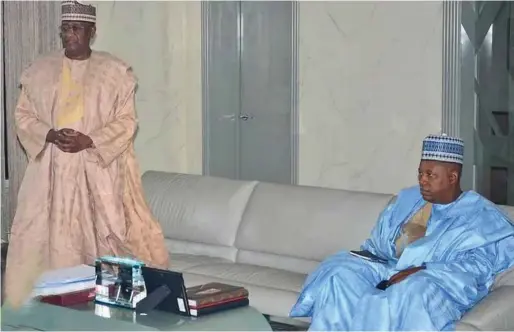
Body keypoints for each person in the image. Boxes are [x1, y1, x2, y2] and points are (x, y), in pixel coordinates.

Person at [4, 0, 169, 307]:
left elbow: (126, 121)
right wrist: (50, 134)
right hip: (50, 170)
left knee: (106, 233)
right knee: (45, 235)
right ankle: (46, 303)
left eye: (77, 29)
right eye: (65, 29)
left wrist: (90, 140)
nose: (70, 35)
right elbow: (23, 116)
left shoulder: (114, 72)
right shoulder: (40, 70)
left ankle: (108, 302)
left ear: (92, 32)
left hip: (97, 169)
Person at [290, 134, 514, 331]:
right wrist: (376, 257)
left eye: (430, 175)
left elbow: (477, 269)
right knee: (340, 271)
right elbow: (377, 245)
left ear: (452, 177)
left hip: (436, 280)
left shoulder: (481, 216)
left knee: (411, 290)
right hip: (388, 267)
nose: (422, 180)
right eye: (420, 173)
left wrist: (422, 268)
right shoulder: (409, 200)